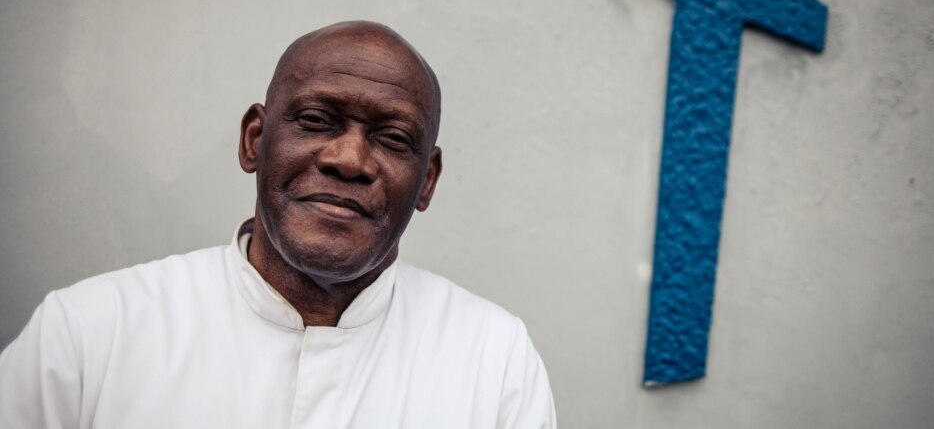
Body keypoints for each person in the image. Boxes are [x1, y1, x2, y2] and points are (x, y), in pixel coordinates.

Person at [0, 21, 556, 428]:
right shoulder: (89, 333)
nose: (349, 159)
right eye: (316, 120)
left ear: (427, 181)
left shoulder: (491, 357)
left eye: (392, 138)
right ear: (253, 141)